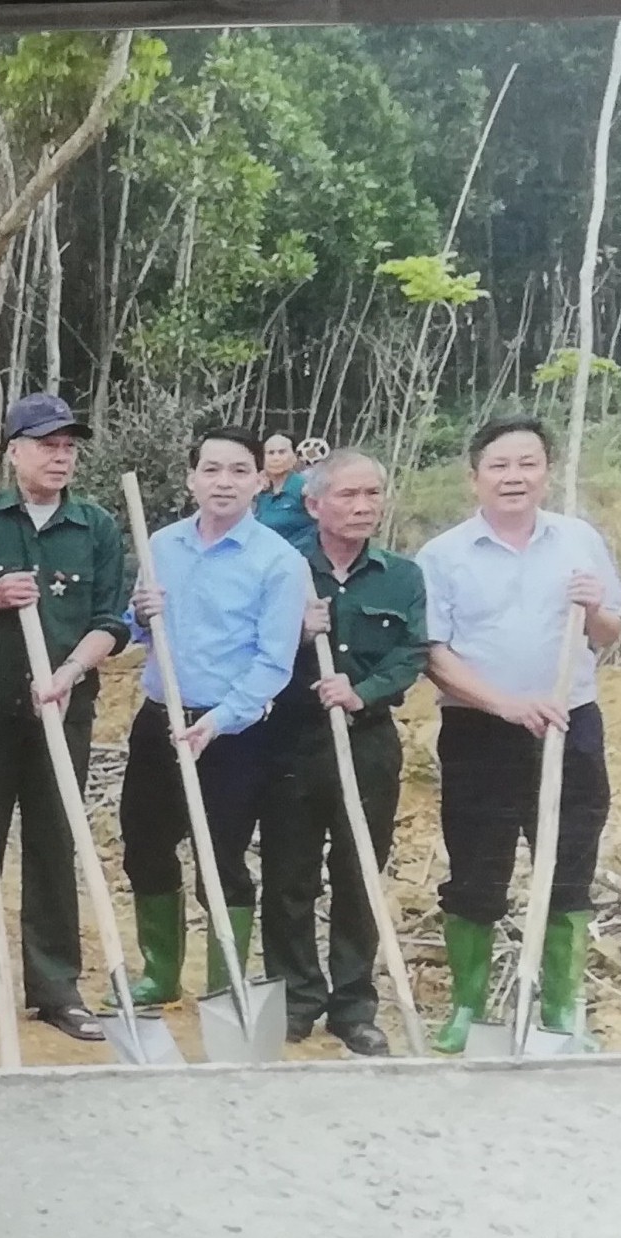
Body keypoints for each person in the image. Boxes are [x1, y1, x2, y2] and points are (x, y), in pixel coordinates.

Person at [418, 417, 621, 1052]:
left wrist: (593, 607)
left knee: (569, 864)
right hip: (479, 731)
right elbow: (433, 655)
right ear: (475, 477)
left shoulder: (579, 541)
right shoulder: (443, 555)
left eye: (528, 463)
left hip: (570, 724)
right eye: (500, 465)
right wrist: (506, 706)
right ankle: (468, 1008)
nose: (515, 476)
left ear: (547, 472)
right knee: (476, 871)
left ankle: (563, 1010)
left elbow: (609, 633)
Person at [0, 393, 130, 1040]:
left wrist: (69, 673)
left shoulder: (97, 528)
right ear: (13, 452)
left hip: (62, 709)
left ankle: (56, 989)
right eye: (47, 445)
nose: (60, 457)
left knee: (53, 841)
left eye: (69, 447)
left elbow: (110, 622)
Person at [119, 426, 311, 1012]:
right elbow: (135, 632)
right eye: (211, 469)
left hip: (233, 734)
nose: (223, 482)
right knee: (145, 846)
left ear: (259, 480)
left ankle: (225, 982)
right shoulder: (161, 545)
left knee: (221, 856)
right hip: (160, 720)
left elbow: (274, 662)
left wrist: (221, 720)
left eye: (237, 470)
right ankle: (159, 973)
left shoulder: (279, 562)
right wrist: (138, 614)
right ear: (191, 479)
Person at [256, 450, 426, 1057]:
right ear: (313, 503)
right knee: (288, 876)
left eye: (371, 494)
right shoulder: (283, 567)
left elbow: (412, 653)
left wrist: (362, 692)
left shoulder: (402, 575)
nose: (362, 507)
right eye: (347, 495)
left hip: (368, 740)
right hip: (292, 740)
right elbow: (250, 646)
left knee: (359, 874)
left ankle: (354, 1005)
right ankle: (296, 998)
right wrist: (297, 633)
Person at [253, 430, 313, 551]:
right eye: (271, 453)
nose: (276, 458)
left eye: (282, 452)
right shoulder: (262, 490)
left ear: (294, 457)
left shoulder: (304, 488)